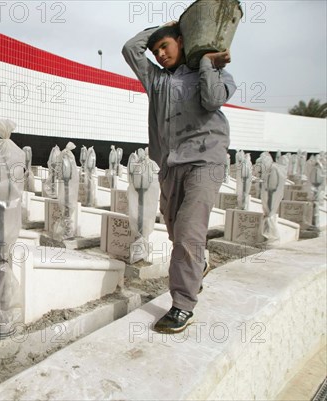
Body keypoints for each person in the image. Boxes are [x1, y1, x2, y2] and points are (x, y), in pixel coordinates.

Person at [122, 22, 236, 333]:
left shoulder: (213, 70)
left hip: (205, 161)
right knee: (174, 228)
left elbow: (213, 100)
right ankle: (197, 265)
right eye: (156, 50)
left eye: (166, 47)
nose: (159, 54)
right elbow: (130, 49)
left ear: (182, 43)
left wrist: (207, 64)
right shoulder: (156, 80)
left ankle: (183, 304)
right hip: (171, 165)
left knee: (187, 234)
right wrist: (166, 27)